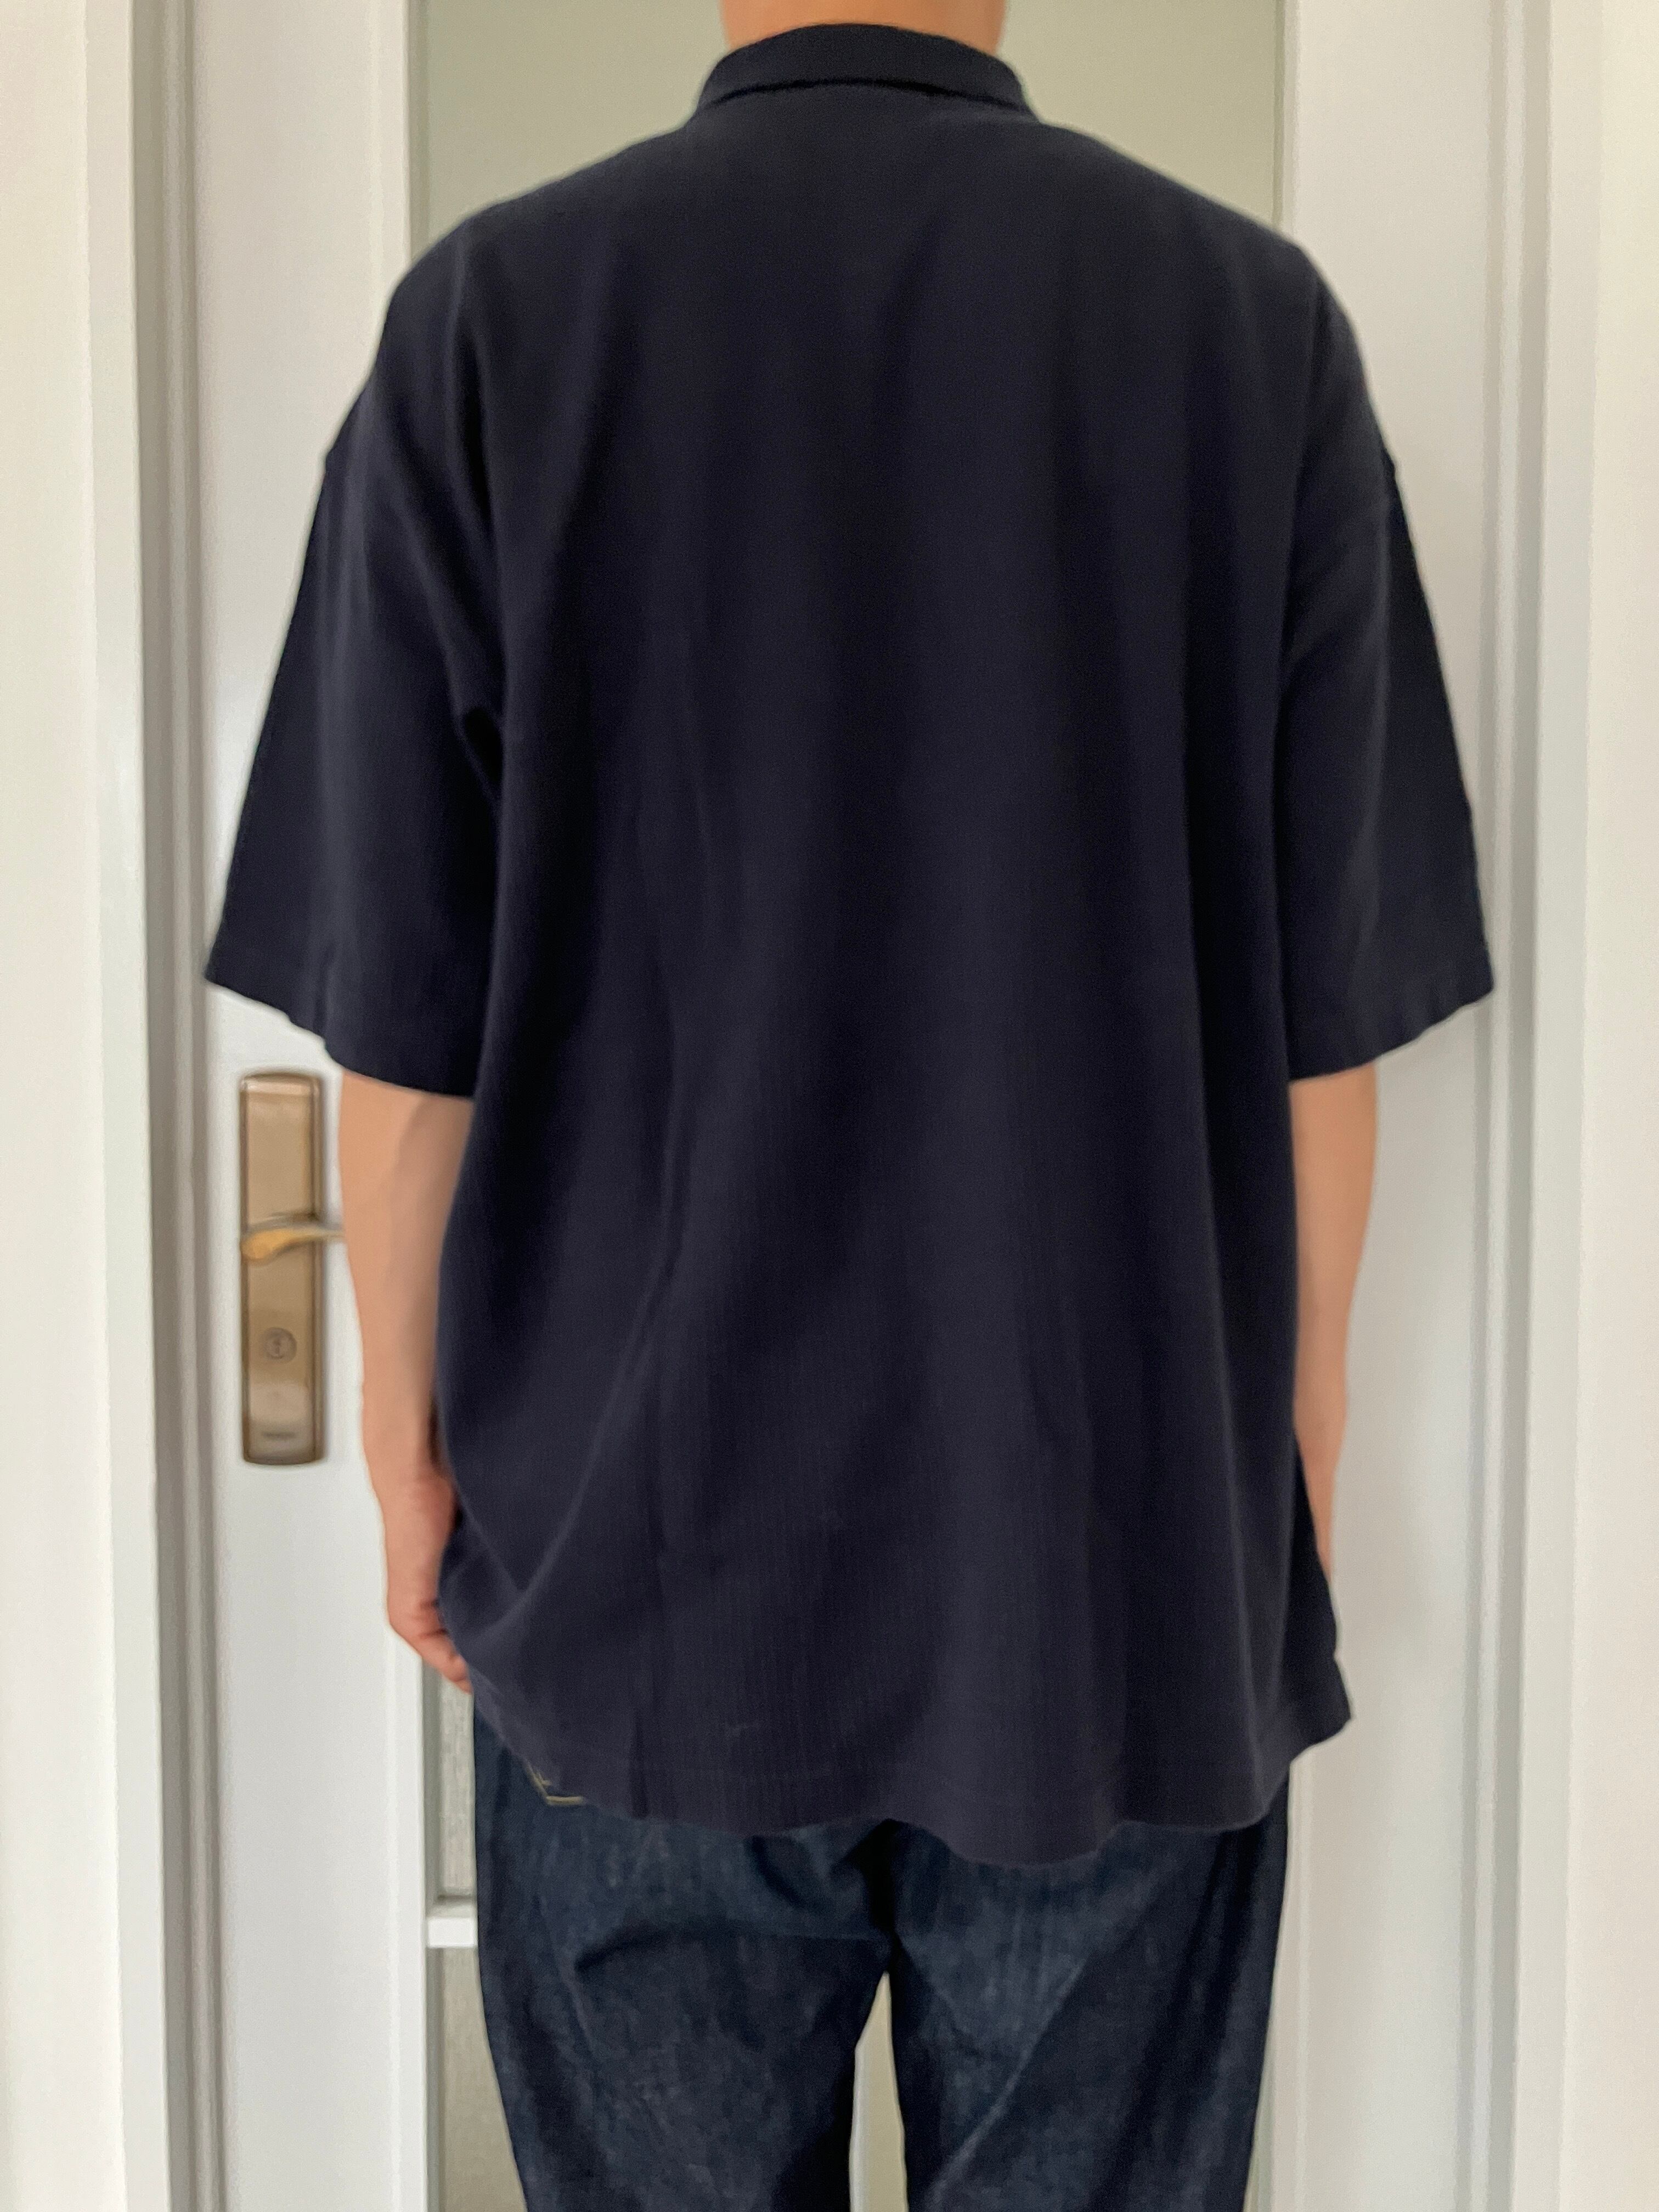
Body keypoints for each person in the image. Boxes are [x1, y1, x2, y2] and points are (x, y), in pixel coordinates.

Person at [206, 1, 1494, 2202]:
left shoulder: (495, 321)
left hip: (635, 1573)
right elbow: (1324, 1029)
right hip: (1108, 1573)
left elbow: (407, 1048)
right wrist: (1285, 1451)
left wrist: (408, 1459)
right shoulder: (1246, 327)